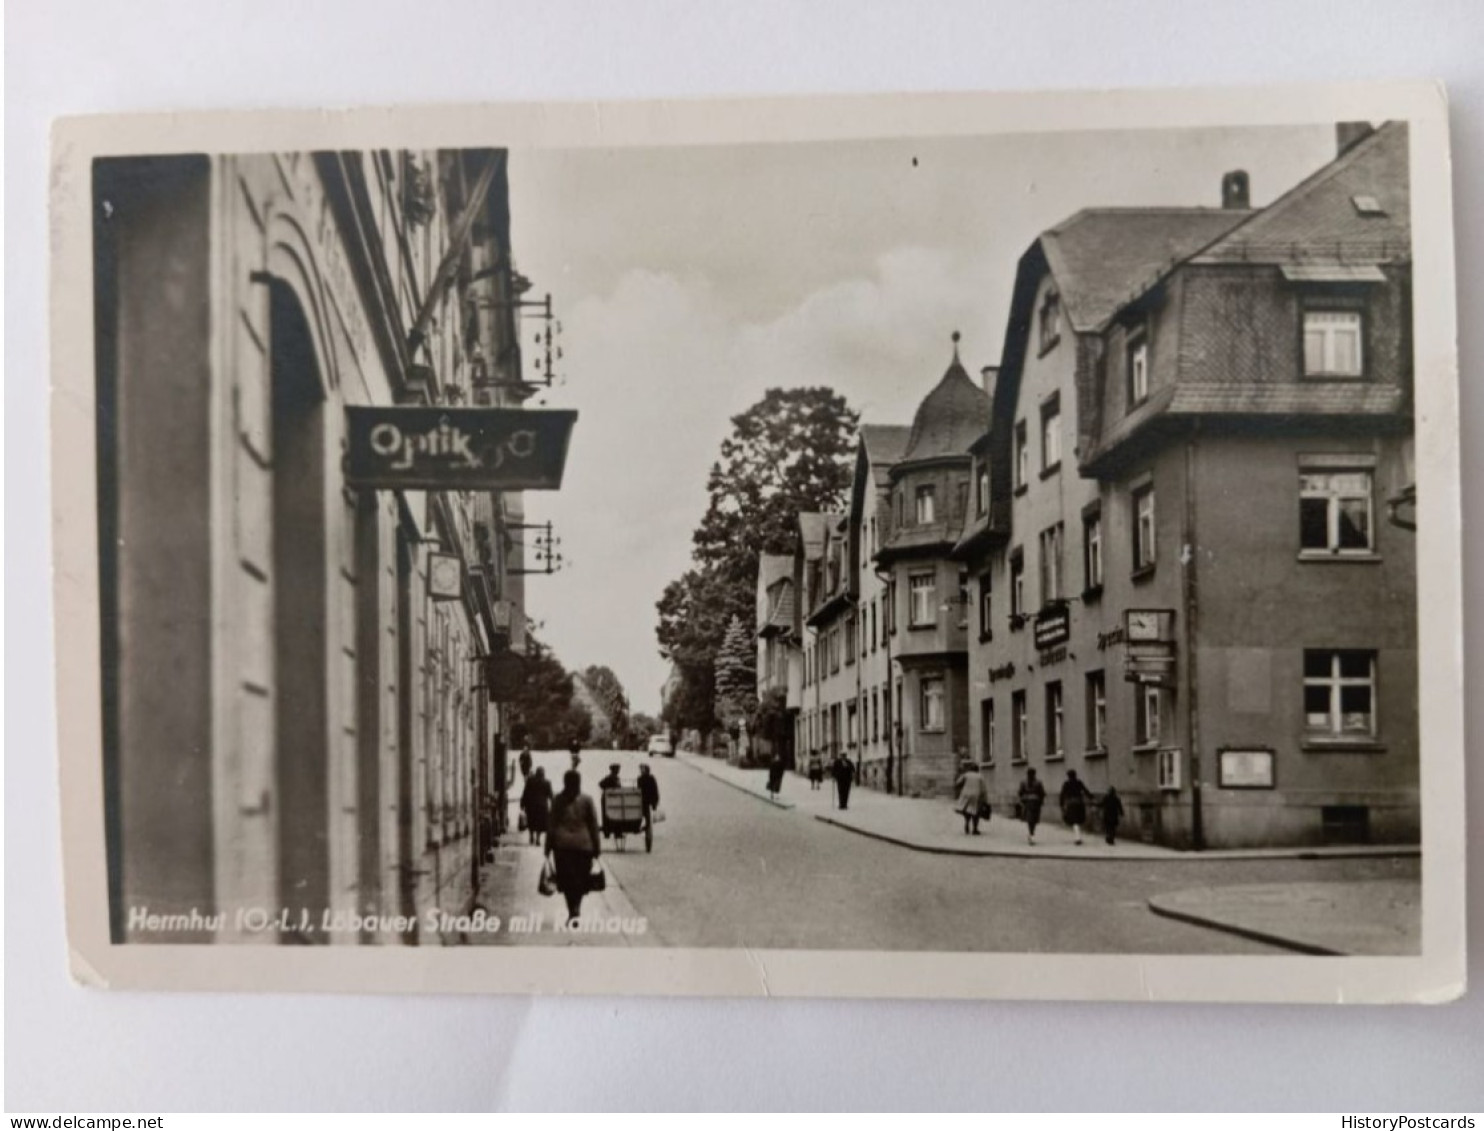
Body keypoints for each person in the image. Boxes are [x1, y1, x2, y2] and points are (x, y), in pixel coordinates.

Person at [546, 769, 602, 925]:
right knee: (581, 880)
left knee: (566, 881)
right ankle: (577, 907)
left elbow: (551, 825)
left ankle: (572, 910)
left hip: (562, 847)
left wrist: (547, 848)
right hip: (584, 847)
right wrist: (597, 848)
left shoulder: (558, 800)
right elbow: (594, 826)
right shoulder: (587, 800)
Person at [519, 766, 552, 847]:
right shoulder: (547, 782)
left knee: (531, 822)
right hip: (542, 806)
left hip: (531, 806)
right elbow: (550, 795)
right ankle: (537, 838)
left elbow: (525, 793)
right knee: (540, 824)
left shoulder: (530, 781)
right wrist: (554, 804)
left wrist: (522, 804)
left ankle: (531, 836)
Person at [955, 760, 990, 836]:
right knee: (976, 812)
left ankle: (967, 822)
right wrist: (985, 800)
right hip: (976, 795)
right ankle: (975, 829)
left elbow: (958, 783)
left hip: (966, 794)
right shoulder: (980, 776)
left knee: (967, 810)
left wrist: (961, 787)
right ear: (977, 769)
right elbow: (984, 789)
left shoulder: (966, 774)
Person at [1059, 769, 1094, 845]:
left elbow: (1062, 794)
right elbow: (1085, 790)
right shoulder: (1079, 783)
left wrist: (1061, 804)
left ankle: (1077, 838)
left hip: (1071, 803)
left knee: (1075, 821)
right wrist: (1091, 797)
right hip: (1079, 803)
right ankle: (1078, 837)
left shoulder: (1066, 784)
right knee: (1078, 820)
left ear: (1068, 776)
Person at [1018, 767, 1046, 846]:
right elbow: (1042, 793)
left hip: (1028, 803)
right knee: (1033, 820)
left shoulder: (1023, 782)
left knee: (1030, 819)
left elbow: (1020, 792)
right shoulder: (1038, 782)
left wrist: (1023, 799)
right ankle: (1031, 834)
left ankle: (1031, 834)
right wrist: (1041, 801)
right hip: (1036, 803)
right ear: (1034, 774)